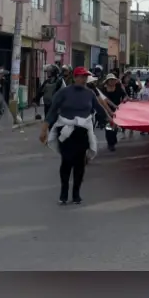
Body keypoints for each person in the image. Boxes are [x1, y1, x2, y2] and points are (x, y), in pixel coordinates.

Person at [41, 66, 108, 205]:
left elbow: (99, 109)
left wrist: (112, 120)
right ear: (75, 77)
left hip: (82, 131)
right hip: (65, 130)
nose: (83, 79)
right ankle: (64, 192)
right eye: (81, 76)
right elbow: (52, 111)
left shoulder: (89, 93)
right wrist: (44, 129)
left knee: (80, 163)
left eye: (85, 77)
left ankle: (76, 193)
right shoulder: (63, 93)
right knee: (66, 161)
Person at [96, 74, 126, 152]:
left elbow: (125, 96)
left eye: (113, 80)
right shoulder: (103, 90)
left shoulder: (119, 88)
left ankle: (113, 140)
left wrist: (124, 100)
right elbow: (104, 100)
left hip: (117, 110)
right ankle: (110, 144)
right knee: (109, 127)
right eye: (110, 80)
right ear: (107, 81)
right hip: (106, 110)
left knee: (115, 127)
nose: (112, 81)